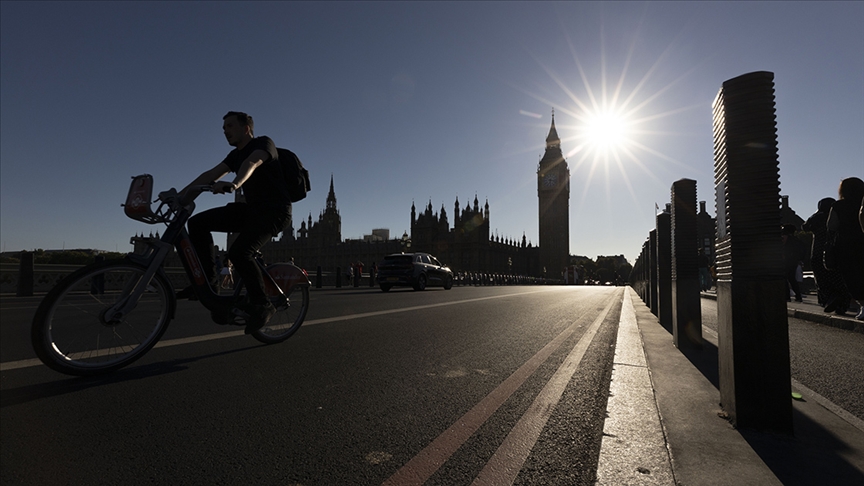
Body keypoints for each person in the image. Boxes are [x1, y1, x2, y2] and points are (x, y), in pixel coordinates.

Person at [179, 111, 293, 334]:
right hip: (251, 211)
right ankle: (209, 285)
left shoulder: (263, 144)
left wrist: (236, 183)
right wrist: (180, 198)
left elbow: (253, 162)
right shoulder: (234, 156)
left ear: (246, 128)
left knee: (240, 252)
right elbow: (210, 174)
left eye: (230, 126)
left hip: (274, 212)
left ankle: (263, 304)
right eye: (224, 128)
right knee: (197, 223)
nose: (225, 131)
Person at [826, 177, 864, 320]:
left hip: (847, 245)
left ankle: (863, 305)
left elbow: (832, 226)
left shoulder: (839, 206)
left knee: (853, 276)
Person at [802, 197, 850, 308]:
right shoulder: (838, 215)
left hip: (818, 250)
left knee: (821, 276)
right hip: (836, 248)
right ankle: (843, 299)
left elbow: (804, 227)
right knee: (837, 276)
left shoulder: (816, 218)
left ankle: (828, 298)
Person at [781, 224, 806, 302]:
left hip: (786, 260)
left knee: (784, 278)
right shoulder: (796, 240)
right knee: (792, 278)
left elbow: (782, 244)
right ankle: (798, 296)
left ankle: (787, 296)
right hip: (794, 261)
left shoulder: (785, 236)